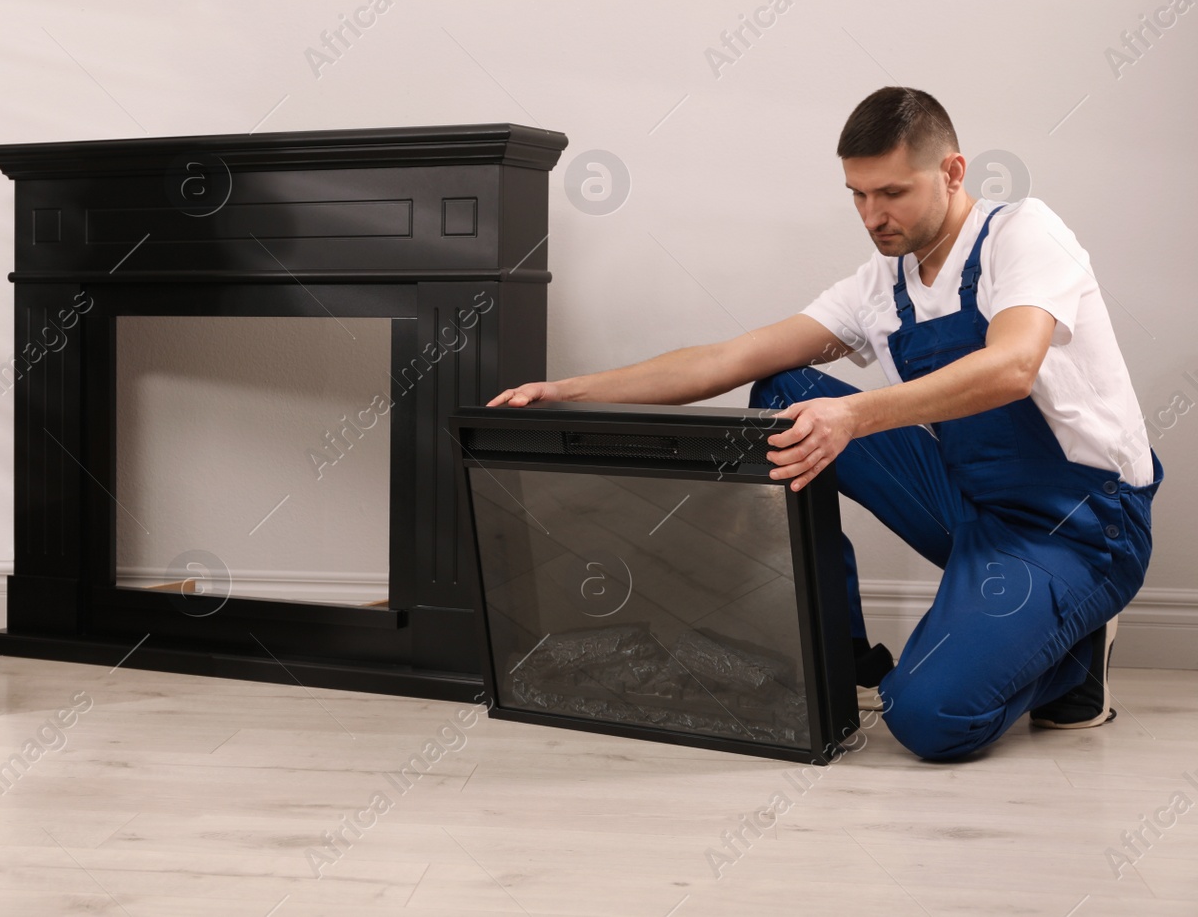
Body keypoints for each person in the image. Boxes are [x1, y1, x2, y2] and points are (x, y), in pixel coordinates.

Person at [486, 86, 1162, 760]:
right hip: (971, 501)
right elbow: (729, 358)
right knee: (785, 390)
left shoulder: (1022, 234)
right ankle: (842, 658)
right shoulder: (883, 283)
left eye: (892, 192)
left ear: (953, 172)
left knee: (928, 717)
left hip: (1079, 525)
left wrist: (856, 413)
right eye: (858, 195)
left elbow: (1012, 366)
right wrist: (570, 389)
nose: (874, 215)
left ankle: (1076, 657)